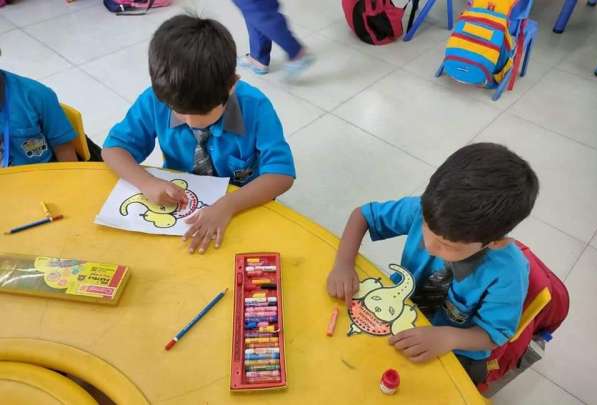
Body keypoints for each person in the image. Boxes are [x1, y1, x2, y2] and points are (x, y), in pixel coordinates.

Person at [326, 143, 539, 384]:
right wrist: (343, 263)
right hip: (398, 315)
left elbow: (493, 334)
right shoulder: (427, 210)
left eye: (448, 246)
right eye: (428, 229)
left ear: (495, 243)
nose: (429, 246)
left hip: (457, 349)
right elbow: (363, 215)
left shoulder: (509, 273)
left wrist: (448, 337)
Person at [102, 15, 295, 254]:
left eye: (203, 113)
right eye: (181, 112)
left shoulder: (255, 107)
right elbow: (113, 149)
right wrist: (146, 183)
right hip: (183, 209)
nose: (192, 122)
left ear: (231, 86)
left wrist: (228, 205)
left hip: (244, 204)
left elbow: (281, 175)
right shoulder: (157, 99)